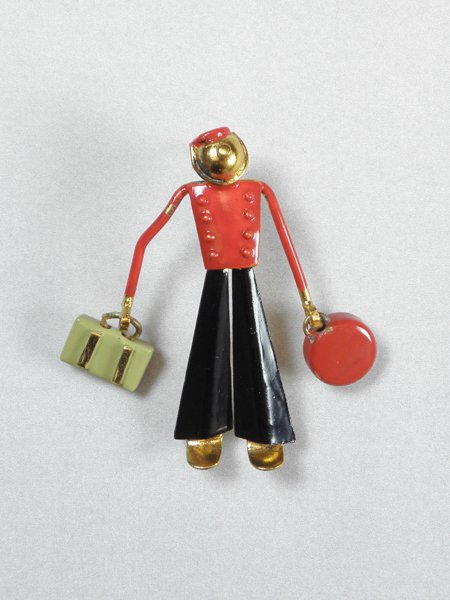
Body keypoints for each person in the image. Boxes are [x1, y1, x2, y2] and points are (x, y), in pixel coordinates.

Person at [119, 127, 323, 471]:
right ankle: (206, 428)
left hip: (244, 272)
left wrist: (308, 302)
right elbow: (145, 239)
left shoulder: (258, 189)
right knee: (208, 346)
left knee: (255, 346)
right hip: (216, 274)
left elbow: (287, 239)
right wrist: (126, 303)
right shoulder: (191, 191)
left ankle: (264, 430)